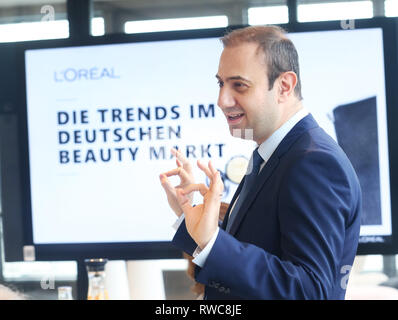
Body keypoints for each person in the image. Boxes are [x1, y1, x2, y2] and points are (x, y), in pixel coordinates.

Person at [159, 25, 362, 300]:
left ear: (284, 86)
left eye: (239, 85)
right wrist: (190, 217)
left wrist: (212, 241)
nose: (222, 100)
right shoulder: (272, 153)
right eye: (221, 83)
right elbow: (255, 250)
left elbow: (311, 291)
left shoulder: (314, 163)